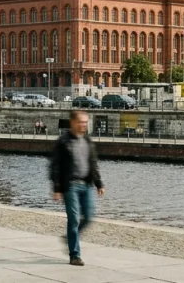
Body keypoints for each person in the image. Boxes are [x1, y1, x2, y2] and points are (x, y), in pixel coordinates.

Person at [49, 110, 105, 267]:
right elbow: (55, 166)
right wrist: (57, 188)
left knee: (88, 216)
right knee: (73, 219)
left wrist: (99, 183)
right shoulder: (63, 142)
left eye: (86, 122)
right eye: (81, 122)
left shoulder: (87, 141)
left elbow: (93, 163)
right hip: (70, 186)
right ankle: (75, 255)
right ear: (72, 122)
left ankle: (69, 238)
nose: (84, 125)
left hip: (86, 185)